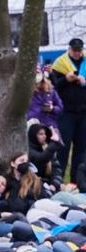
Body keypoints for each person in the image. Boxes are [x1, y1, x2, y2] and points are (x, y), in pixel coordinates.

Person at [52, 37, 86, 179]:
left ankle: (76, 179)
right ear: (69, 49)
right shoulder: (60, 64)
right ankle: (58, 179)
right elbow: (54, 85)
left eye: (79, 50)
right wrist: (66, 79)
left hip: (83, 112)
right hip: (66, 112)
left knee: (81, 148)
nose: (77, 53)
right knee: (63, 147)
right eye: (74, 50)